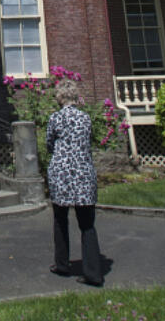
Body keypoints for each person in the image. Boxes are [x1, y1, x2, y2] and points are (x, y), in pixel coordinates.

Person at [45, 78, 102, 286]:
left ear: (60, 97)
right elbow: (89, 141)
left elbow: (49, 143)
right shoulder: (85, 118)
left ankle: (62, 264)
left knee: (60, 219)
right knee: (87, 224)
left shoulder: (55, 119)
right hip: (83, 173)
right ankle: (93, 272)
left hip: (61, 173)